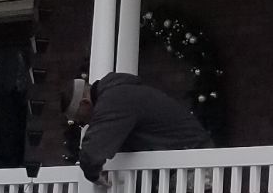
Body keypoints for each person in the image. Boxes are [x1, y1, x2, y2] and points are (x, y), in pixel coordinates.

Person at [67, 71, 211, 184]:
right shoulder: (120, 93)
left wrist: (92, 173)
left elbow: (93, 151)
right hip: (188, 161)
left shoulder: (115, 100)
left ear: (85, 104)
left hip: (193, 165)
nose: (86, 124)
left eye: (81, 120)